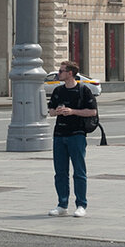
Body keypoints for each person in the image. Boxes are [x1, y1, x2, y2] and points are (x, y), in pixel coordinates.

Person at [46, 60, 98, 218]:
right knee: (60, 172)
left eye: (61, 71)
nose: (58, 74)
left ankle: (81, 205)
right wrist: (58, 112)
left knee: (79, 171)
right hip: (59, 134)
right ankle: (62, 205)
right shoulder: (58, 90)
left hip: (77, 134)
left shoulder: (83, 90)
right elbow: (50, 111)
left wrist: (72, 111)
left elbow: (92, 112)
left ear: (70, 73)